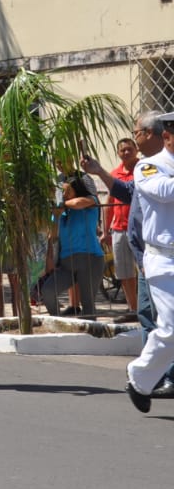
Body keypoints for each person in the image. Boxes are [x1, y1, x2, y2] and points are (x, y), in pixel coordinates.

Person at [124, 110, 174, 413]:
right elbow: (166, 192)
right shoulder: (148, 167)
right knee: (170, 330)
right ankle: (140, 378)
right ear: (167, 136)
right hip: (164, 261)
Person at [41, 174, 104, 316]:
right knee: (48, 291)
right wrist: (57, 215)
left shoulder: (90, 202)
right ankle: (58, 321)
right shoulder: (61, 212)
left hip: (91, 260)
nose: (64, 195)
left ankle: (91, 335)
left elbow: (78, 203)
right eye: (62, 192)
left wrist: (62, 205)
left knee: (88, 305)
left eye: (67, 191)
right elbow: (53, 236)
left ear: (77, 190)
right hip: (66, 264)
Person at [107, 137, 141, 310]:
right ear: (118, 153)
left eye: (129, 149)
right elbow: (110, 203)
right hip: (119, 229)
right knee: (124, 273)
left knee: (143, 271)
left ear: (136, 149)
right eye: (122, 150)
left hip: (139, 229)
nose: (126, 152)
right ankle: (133, 309)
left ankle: (146, 308)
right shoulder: (114, 174)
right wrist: (105, 231)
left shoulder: (144, 169)